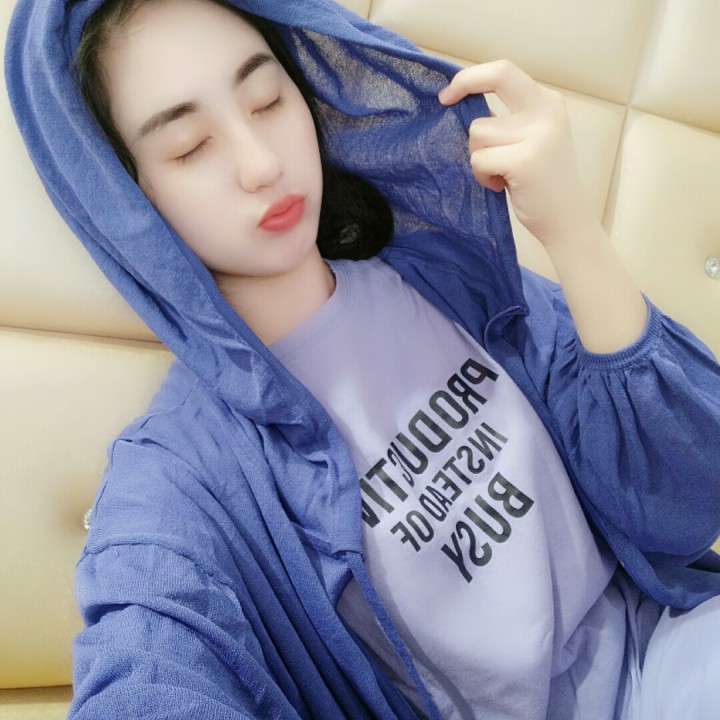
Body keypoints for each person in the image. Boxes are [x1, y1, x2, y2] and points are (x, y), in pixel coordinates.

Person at [5, 0, 720, 718]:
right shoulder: (181, 473)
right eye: (190, 147)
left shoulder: (447, 277)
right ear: (128, 200)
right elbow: (148, 660)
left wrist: (574, 232)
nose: (261, 164)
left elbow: (690, 502)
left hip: (668, 653)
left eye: (267, 100)